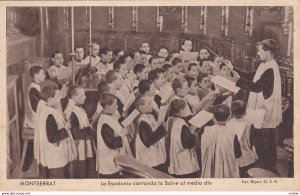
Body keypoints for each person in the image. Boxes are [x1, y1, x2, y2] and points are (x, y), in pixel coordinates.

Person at [234, 39, 282, 172]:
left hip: (265, 109)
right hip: (261, 108)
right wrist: (234, 69)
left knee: (265, 138)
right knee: (260, 136)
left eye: (260, 50)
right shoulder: (265, 64)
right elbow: (252, 76)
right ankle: (265, 164)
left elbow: (256, 87)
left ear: (267, 52)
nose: (258, 53)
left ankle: (267, 167)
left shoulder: (271, 68)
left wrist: (237, 81)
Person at [35, 82, 76, 178]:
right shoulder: (49, 115)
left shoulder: (47, 109)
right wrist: (65, 128)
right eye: (58, 96)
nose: (60, 97)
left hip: (54, 157)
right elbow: (52, 138)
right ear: (50, 99)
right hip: (55, 159)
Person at [201, 104, 241, 178]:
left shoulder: (206, 130)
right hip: (227, 171)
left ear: (213, 117)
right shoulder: (232, 133)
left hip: (210, 170)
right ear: (229, 117)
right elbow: (238, 154)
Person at [96, 93, 131, 178]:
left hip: (115, 158)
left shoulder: (110, 116)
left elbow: (115, 128)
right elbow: (111, 144)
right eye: (115, 105)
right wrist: (123, 134)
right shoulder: (104, 122)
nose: (117, 107)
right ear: (108, 106)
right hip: (109, 163)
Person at [66, 85, 95, 178]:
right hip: (79, 148)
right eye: (82, 95)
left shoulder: (80, 108)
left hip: (85, 145)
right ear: (74, 98)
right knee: (80, 171)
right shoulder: (72, 112)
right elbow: (75, 134)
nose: (85, 97)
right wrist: (90, 130)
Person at [167, 99, 200, 178]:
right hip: (184, 160)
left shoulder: (171, 119)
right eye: (186, 108)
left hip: (176, 155)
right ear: (181, 110)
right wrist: (193, 131)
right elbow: (188, 144)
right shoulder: (182, 124)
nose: (187, 110)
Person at [134, 95, 167, 172]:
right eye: (149, 103)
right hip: (150, 159)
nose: (152, 105)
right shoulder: (142, 121)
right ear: (141, 107)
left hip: (154, 156)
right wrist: (160, 125)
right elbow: (148, 141)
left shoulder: (148, 116)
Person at [227, 100, 258, 177]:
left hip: (232, 156)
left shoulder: (228, 123)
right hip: (246, 155)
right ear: (245, 113)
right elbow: (252, 141)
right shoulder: (249, 123)